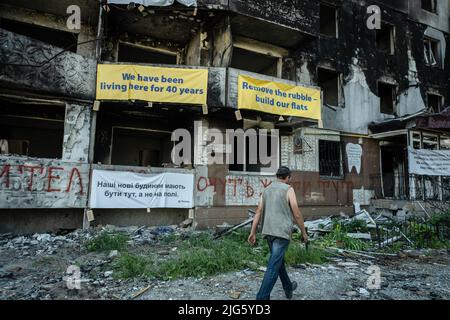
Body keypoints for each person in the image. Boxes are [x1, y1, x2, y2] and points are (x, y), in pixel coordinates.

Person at [248, 166, 308, 300]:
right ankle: (261, 297)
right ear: (288, 177)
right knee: (274, 265)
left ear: (277, 176)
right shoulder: (288, 189)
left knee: (277, 262)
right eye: (289, 178)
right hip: (281, 233)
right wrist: (304, 233)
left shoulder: (266, 190)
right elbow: (296, 213)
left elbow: (258, 212)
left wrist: (252, 232)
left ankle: (288, 286)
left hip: (268, 232)